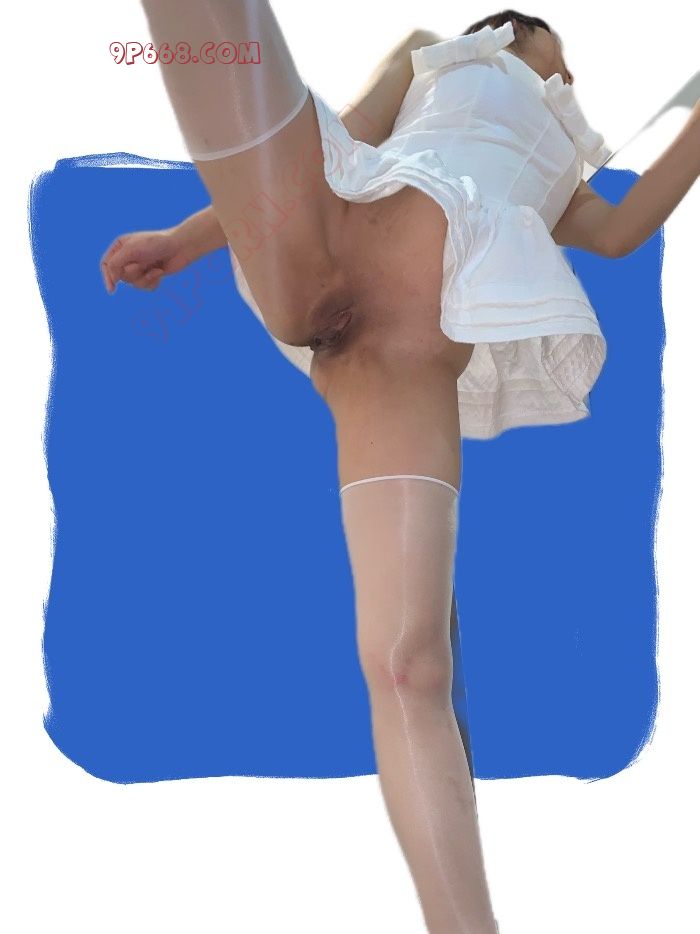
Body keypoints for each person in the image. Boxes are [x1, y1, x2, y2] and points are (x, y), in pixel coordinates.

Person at [101, 5, 700, 931]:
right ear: (512, 29)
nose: (569, 71)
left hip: (394, 364)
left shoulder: (566, 173)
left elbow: (622, 230)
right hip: (327, 232)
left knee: (409, 665)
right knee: (233, 44)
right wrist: (183, 241)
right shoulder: (432, 56)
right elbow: (337, 137)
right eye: (557, 48)